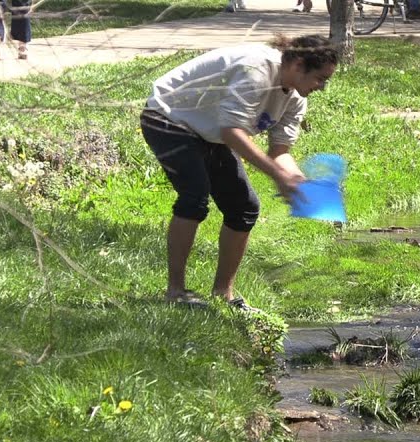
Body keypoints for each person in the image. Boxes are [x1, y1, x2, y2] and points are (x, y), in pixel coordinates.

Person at [139, 33, 337, 310]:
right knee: (194, 196)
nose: (322, 86)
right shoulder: (256, 69)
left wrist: (297, 181)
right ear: (298, 65)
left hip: (207, 133)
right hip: (168, 117)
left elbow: (280, 152)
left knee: (244, 207)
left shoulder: (295, 99)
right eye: (320, 78)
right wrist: (278, 175)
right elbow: (231, 133)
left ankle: (224, 295)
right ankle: (175, 292)